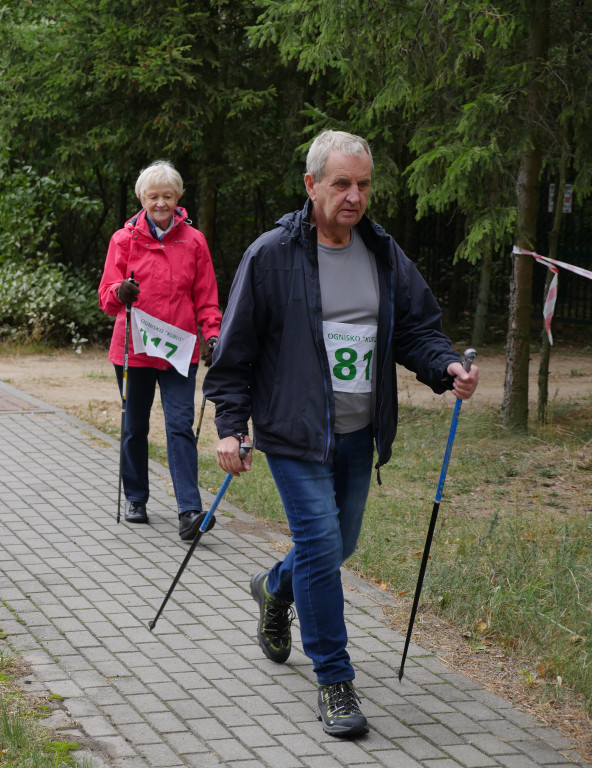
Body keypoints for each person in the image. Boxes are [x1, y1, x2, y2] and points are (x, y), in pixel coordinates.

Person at [204, 130, 478, 738]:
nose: (354, 197)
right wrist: (229, 426)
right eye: (341, 184)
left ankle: (275, 587)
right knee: (323, 547)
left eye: (363, 185)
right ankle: (334, 680)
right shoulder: (272, 255)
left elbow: (416, 329)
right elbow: (235, 352)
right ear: (311, 185)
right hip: (294, 433)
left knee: (338, 545)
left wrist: (446, 365)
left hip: (358, 435)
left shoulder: (382, 253)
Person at [97, 160, 222, 540]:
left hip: (178, 348)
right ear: (142, 199)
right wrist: (122, 292)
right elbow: (106, 298)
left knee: (179, 425)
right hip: (134, 348)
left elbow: (206, 297)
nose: (161, 203)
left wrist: (213, 334)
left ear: (179, 198)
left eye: (168, 196)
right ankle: (136, 497)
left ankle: (189, 511)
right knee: (133, 426)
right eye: (154, 197)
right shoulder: (124, 239)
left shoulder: (194, 241)